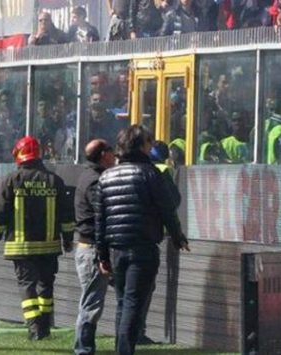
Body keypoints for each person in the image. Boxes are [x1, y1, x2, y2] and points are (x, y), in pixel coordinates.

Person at [95, 125, 189, 355]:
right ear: (141, 146)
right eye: (149, 142)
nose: (151, 147)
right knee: (133, 303)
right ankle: (125, 351)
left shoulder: (106, 176)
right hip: (143, 247)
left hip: (117, 248)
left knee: (122, 302)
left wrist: (102, 256)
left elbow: (101, 221)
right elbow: (167, 208)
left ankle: (121, 349)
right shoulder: (149, 173)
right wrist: (178, 237)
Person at [0, 136, 74, 340]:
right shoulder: (55, 180)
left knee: (27, 286)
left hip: (22, 247)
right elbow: (66, 214)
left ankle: (35, 329)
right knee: (46, 285)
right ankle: (45, 327)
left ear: (19, 154)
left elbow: (1, 211)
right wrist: (68, 238)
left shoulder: (12, 179)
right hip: (49, 246)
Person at [74, 139, 115, 355]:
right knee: (91, 304)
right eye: (111, 151)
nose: (115, 155)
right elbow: (101, 216)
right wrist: (102, 255)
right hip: (93, 251)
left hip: (92, 249)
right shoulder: (95, 181)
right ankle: (83, 349)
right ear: (103, 155)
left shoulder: (90, 176)